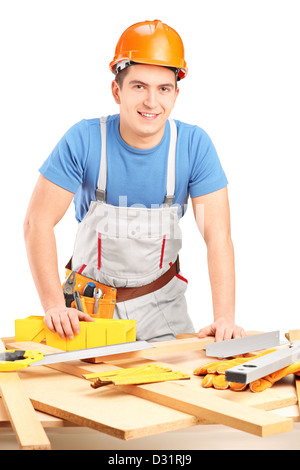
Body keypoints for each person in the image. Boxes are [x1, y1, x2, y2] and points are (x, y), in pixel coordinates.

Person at [24, 19, 245, 343]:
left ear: (176, 93)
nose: (151, 102)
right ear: (117, 90)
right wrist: (55, 307)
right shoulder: (85, 140)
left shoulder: (194, 146)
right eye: (139, 86)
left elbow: (218, 236)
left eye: (163, 89)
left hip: (163, 308)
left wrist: (225, 318)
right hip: (87, 311)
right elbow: (36, 222)